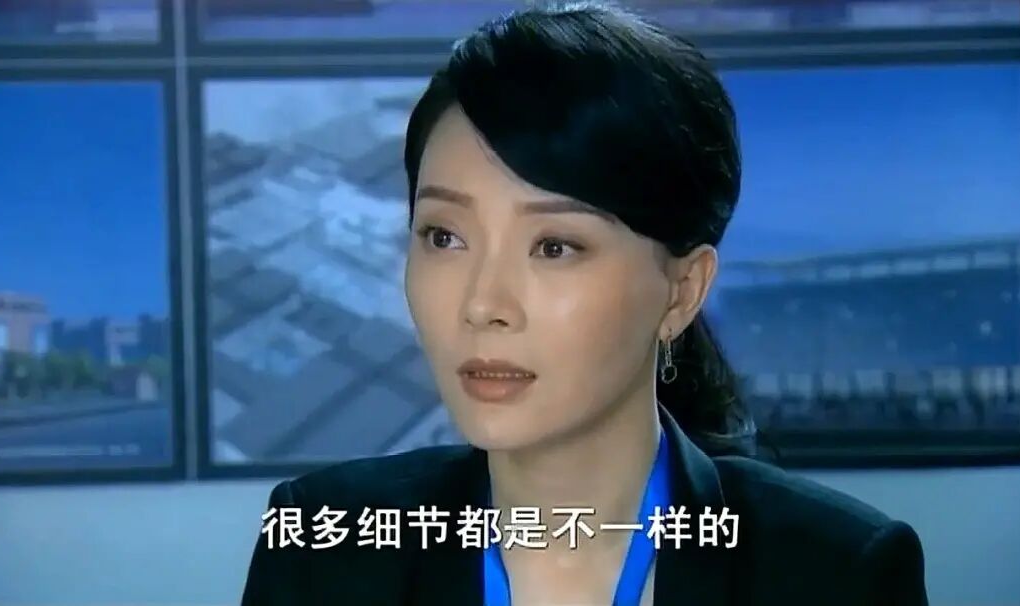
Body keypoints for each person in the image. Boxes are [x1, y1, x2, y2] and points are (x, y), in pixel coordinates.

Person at [241, 2, 929, 604]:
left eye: (554, 246)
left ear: (682, 290)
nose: (483, 305)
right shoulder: (325, 549)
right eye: (444, 237)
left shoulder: (836, 573)